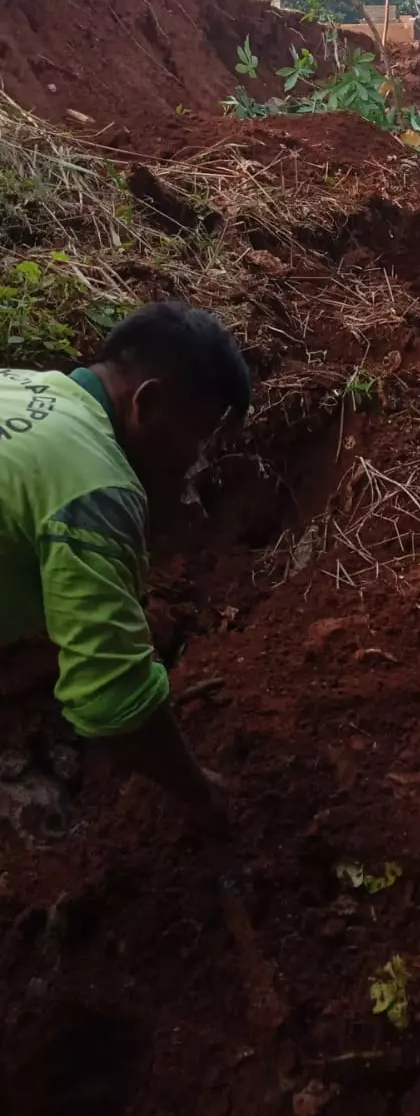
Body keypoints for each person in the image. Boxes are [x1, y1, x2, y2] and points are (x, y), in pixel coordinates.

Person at [0, 301, 251, 833]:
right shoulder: (94, 483)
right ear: (148, 401)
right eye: (196, 436)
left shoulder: (18, 385)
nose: (195, 461)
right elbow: (112, 700)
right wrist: (199, 794)